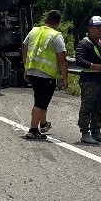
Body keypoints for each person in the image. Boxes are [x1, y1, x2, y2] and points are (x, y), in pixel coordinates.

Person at [22, 10, 68, 140]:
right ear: (58, 23)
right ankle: (33, 129)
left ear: (46, 20)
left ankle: (43, 124)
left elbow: (24, 49)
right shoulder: (56, 36)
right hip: (46, 74)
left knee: (41, 100)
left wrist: (26, 68)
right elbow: (62, 60)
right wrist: (65, 79)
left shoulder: (33, 31)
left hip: (32, 71)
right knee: (40, 102)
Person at [76, 15, 101, 145]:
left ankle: (96, 132)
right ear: (90, 28)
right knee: (87, 106)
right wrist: (94, 66)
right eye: (97, 27)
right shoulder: (84, 43)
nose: (100, 29)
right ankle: (85, 132)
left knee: (99, 106)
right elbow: (79, 61)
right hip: (89, 80)